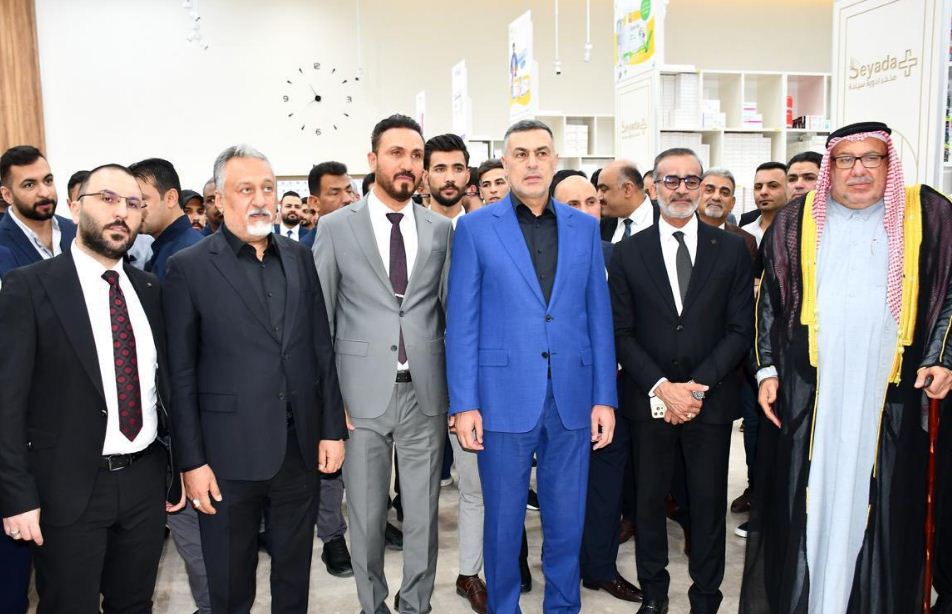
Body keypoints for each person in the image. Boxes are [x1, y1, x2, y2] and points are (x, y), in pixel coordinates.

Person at [740, 121, 952, 614]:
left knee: (883, 504)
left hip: (891, 394)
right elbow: (768, 304)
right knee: (809, 500)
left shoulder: (927, 214)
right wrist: (767, 371)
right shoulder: (796, 220)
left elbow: (949, 294)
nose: (859, 170)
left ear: (888, 163)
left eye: (872, 158)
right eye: (846, 160)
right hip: (812, 394)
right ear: (830, 166)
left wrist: (941, 357)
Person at [163, 144, 346, 613]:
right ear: (219, 200)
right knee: (229, 583)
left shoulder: (299, 257)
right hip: (225, 456)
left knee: (293, 576)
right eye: (246, 189)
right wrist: (191, 462)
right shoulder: (189, 268)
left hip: (298, 448)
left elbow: (320, 348)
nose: (260, 199)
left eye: (267, 187)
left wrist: (330, 429)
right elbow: (180, 375)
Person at [447, 119, 617, 613]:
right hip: (501, 399)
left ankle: (563, 607)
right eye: (520, 154)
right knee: (503, 526)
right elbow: (462, 323)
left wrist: (604, 397)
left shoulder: (584, 228)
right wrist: (464, 404)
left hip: (572, 398)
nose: (532, 163)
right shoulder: (476, 228)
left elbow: (598, 319)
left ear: (555, 160)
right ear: (505, 163)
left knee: (566, 524)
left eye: (541, 152)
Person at [0, 163, 184, 612]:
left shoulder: (149, 288)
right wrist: (16, 496)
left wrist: (175, 468)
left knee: (134, 603)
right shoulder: (30, 286)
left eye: (133, 203)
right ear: (75, 205)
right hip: (67, 487)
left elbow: (164, 387)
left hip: (144, 481)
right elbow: (6, 402)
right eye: (107, 199)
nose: (121, 212)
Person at [313, 115, 453, 614]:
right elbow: (320, 321)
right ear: (373, 159)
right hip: (359, 398)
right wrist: (331, 403)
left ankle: (416, 604)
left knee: (423, 517)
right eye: (396, 153)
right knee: (367, 518)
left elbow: (447, 313)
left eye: (416, 156)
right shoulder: (335, 227)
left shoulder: (440, 229)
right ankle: (371, 604)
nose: (408, 164)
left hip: (424, 394)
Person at [609, 148, 754, 614]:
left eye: (692, 180)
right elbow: (621, 332)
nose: (682, 190)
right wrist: (662, 387)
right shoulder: (627, 253)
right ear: (653, 186)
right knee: (649, 505)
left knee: (707, 506)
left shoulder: (731, 249)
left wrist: (694, 387)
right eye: (671, 180)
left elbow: (740, 329)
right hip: (647, 400)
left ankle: (706, 598)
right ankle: (654, 595)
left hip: (709, 401)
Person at [552, 170, 643, 603]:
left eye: (592, 202)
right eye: (573, 204)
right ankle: (556, 570)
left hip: (613, 390)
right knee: (559, 491)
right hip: (557, 392)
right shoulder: (538, 257)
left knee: (607, 485)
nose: (586, 212)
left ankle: (600, 568)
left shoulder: (615, 255)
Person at [0, 146, 77, 274]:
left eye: (48, 181)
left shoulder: (76, 231)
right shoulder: (2, 243)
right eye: (29, 185)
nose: (45, 193)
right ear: (7, 195)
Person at [129, 158, 203, 282]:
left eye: (141, 199)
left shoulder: (189, 254)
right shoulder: (167, 250)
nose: (133, 209)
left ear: (170, 198)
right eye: (130, 202)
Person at [739, 151, 822, 227]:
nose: (798, 185)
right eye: (792, 179)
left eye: (809, 178)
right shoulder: (776, 231)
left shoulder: (828, 226)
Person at [301, 161, 360, 249]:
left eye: (349, 191)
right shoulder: (306, 250)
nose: (348, 199)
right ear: (315, 203)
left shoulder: (365, 237)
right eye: (335, 193)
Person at [597, 160, 656, 243]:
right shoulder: (601, 226)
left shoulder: (666, 219)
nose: (598, 196)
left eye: (604, 189)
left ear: (627, 189)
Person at [739, 162, 787, 247]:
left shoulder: (801, 231)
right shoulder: (744, 232)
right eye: (758, 187)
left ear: (788, 189)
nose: (763, 192)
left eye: (773, 186)